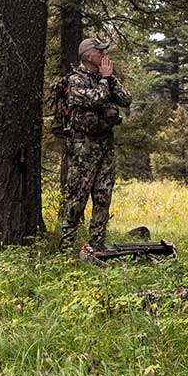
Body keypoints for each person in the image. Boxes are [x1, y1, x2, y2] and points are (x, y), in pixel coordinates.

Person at [56, 36, 130, 255]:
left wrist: (110, 78)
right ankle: (66, 246)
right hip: (83, 148)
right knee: (77, 197)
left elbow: (126, 99)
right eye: (100, 52)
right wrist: (105, 80)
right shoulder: (75, 80)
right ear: (89, 56)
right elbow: (96, 99)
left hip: (105, 146)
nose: (104, 56)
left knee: (102, 195)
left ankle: (97, 245)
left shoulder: (105, 77)